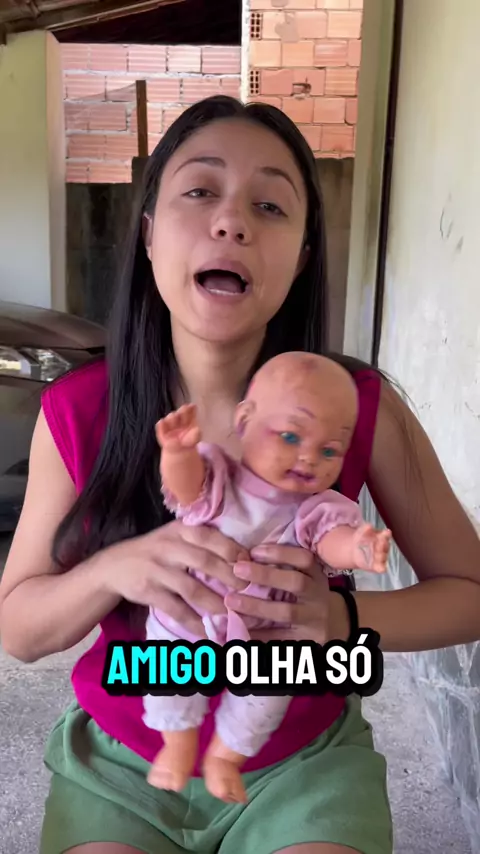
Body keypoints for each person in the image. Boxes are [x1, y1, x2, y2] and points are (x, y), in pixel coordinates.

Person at [1, 95, 480, 854]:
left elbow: (470, 593)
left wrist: (342, 624)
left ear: (304, 256)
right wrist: (114, 569)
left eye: (270, 205)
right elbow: (19, 630)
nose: (232, 222)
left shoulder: (362, 409)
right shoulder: (78, 410)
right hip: (124, 764)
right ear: (149, 234)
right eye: (200, 191)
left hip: (304, 765)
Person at [145, 353, 391, 803]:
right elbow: (186, 490)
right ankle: (178, 744)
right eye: (291, 435)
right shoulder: (221, 479)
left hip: (268, 634)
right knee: (166, 673)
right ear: (244, 421)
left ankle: (225, 757)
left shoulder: (314, 508)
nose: (309, 457)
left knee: (270, 694)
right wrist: (178, 453)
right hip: (190, 615)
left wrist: (359, 548)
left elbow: (331, 539)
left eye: (330, 450)